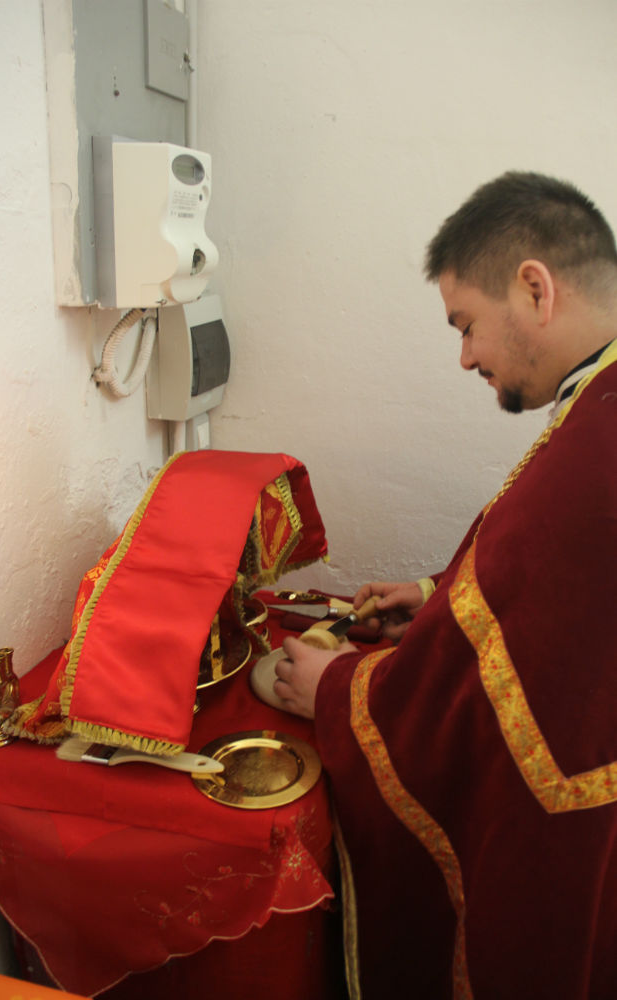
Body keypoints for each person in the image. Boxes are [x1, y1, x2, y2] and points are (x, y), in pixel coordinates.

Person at [274, 172, 617, 999]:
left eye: (465, 324)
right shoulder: (598, 405)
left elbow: (525, 700)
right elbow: (571, 603)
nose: (464, 356)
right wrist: (438, 599)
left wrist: (337, 690)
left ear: (533, 288)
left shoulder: (601, 438)